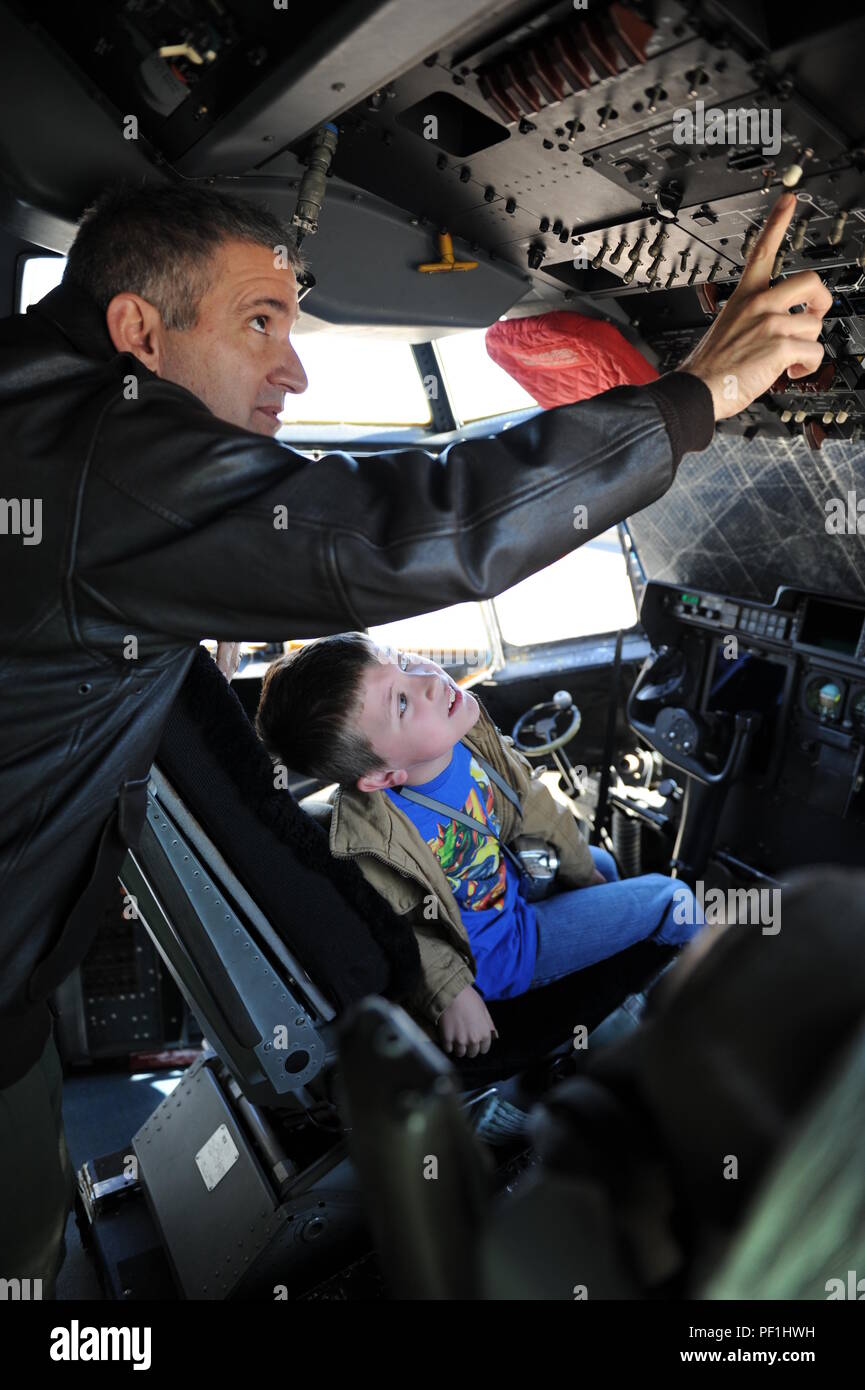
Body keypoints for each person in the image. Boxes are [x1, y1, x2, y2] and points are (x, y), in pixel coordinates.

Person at [0, 177, 830, 1292]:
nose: (291, 368)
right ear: (138, 332)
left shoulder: (43, 419)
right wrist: (696, 394)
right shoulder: (105, 457)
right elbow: (401, 527)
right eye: (259, 324)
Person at [255, 634, 703, 1058]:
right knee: (675, 900)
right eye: (402, 702)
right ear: (382, 776)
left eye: (403, 661)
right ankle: (714, 1025)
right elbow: (393, 928)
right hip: (496, 952)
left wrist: (583, 871)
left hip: (510, 886)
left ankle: (619, 994)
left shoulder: (466, 738)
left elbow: (533, 803)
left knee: (601, 861)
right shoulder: (374, 841)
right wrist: (451, 991)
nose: (430, 680)